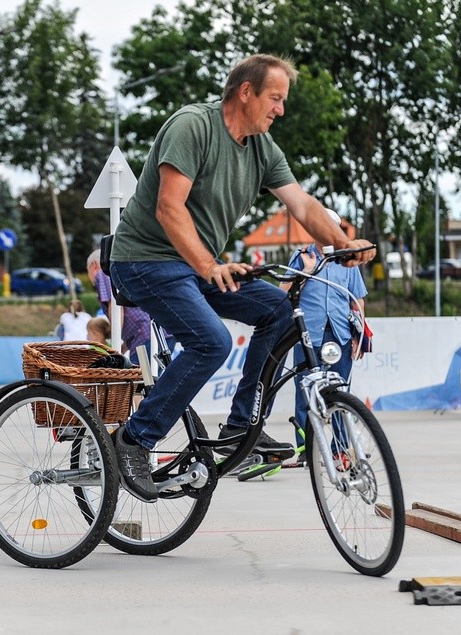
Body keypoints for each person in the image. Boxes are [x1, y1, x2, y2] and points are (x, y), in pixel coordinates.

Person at [108, 54, 375, 501]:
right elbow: (168, 207)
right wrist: (210, 266)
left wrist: (343, 243)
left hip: (196, 267)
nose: (281, 110)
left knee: (280, 312)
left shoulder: (262, 149)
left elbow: (304, 206)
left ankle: (241, 425)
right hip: (146, 261)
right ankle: (135, 440)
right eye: (275, 98)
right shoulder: (193, 127)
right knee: (210, 341)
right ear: (245, 92)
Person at [283, 208, 368, 467]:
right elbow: (283, 290)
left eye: (335, 227)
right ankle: (307, 451)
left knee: (341, 393)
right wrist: (304, 273)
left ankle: (340, 450)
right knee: (306, 393)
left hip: (340, 332)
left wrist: (360, 333)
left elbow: (358, 299)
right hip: (308, 333)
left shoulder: (347, 260)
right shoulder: (301, 256)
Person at [86, 249, 151, 364]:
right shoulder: (120, 273)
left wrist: (114, 340)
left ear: (94, 265)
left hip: (143, 336)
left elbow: (115, 305)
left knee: (140, 379)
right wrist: (121, 349)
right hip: (152, 332)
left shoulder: (103, 274)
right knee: (152, 377)